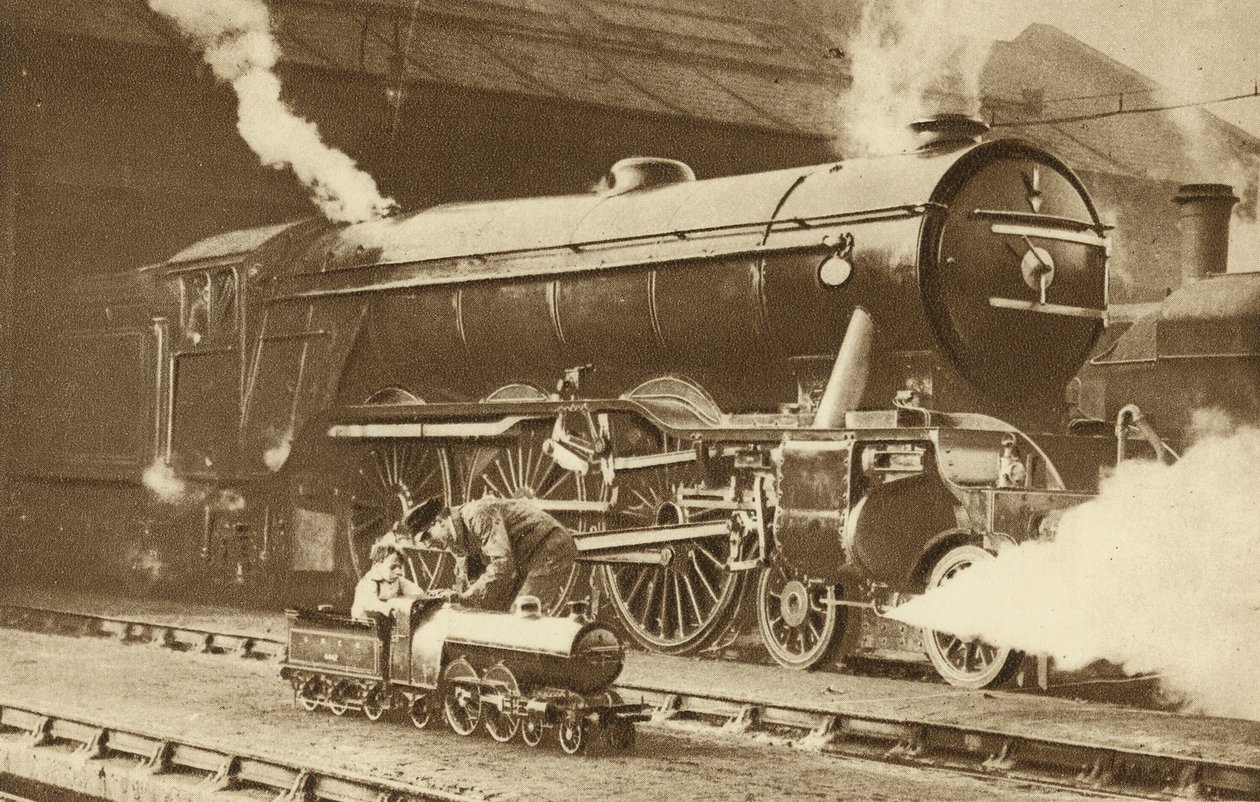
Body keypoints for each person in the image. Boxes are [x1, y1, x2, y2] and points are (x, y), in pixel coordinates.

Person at [418, 496, 578, 613]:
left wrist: (467, 596)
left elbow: (502, 564)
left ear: (439, 521)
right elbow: (470, 579)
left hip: (549, 545)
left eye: (427, 536)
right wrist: (460, 598)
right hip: (522, 557)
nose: (428, 545)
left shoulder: (477, 515)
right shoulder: (452, 539)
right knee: (493, 614)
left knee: (523, 614)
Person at [350, 541, 426, 619]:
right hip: (366, 621)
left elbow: (414, 590)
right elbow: (371, 603)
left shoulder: (396, 579)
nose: (399, 572)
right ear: (377, 564)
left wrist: (420, 599)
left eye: (400, 567)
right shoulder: (369, 582)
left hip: (384, 618)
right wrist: (390, 610)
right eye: (393, 567)